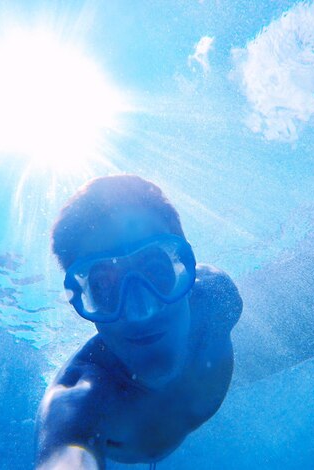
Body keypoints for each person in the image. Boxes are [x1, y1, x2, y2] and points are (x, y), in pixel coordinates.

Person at [35, 175, 242, 469]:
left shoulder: (219, 297)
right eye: (104, 288)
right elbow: (65, 445)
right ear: (83, 299)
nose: (140, 310)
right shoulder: (85, 395)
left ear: (185, 270)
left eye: (156, 270)